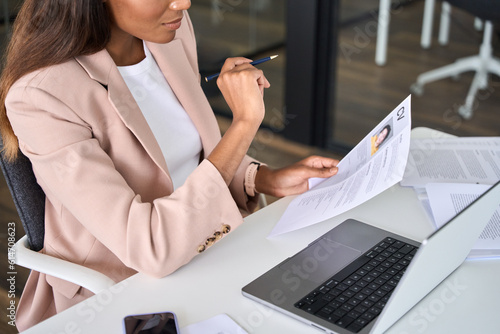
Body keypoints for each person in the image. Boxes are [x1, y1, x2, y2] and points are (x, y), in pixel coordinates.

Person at [0, 0, 339, 330]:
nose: (183, 4)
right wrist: (244, 123)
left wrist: (264, 178)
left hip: (209, 248)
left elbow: (194, 154)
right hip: (121, 287)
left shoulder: (169, 34)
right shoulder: (41, 96)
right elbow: (150, 248)